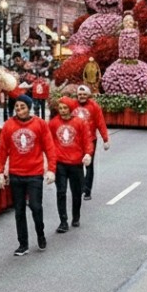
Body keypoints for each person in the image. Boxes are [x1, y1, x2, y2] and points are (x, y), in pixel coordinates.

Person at [0, 97, 56, 256]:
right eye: (17, 107)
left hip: (35, 174)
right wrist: (0, 171)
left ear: (29, 107)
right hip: (16, 174)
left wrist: (51, 169)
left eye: (23, 107)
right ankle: (23, 244)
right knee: (19, 211)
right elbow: (2, 150)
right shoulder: (9, 125)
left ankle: (40, 234)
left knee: (36, 207)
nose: (20, 110)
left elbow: (49, 148)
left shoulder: (40, 124)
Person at [49, 100, 93, 233]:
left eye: (65, 108)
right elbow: (48, 142)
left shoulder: (80, 123)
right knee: (61, 192)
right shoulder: (53, 123)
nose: (62, 110)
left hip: (76, 164)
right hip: (60, 163)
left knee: (76, 192)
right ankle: (63, 221)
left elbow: (87, 140)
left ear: (70, 109)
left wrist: (88, 154)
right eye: (60, 108)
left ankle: (76, 216)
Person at [66, 86, 109, 200]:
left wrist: (105, 139)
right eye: (80, 94)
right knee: (77, 165)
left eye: (84, 94)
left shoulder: (94, 106)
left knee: (88, 165)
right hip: (76, 141)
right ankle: (80, 186)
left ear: (88, 95)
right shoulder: (72, 105)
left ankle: (87, 190)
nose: (82, 96)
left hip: (90, 140)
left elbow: (100, 122)